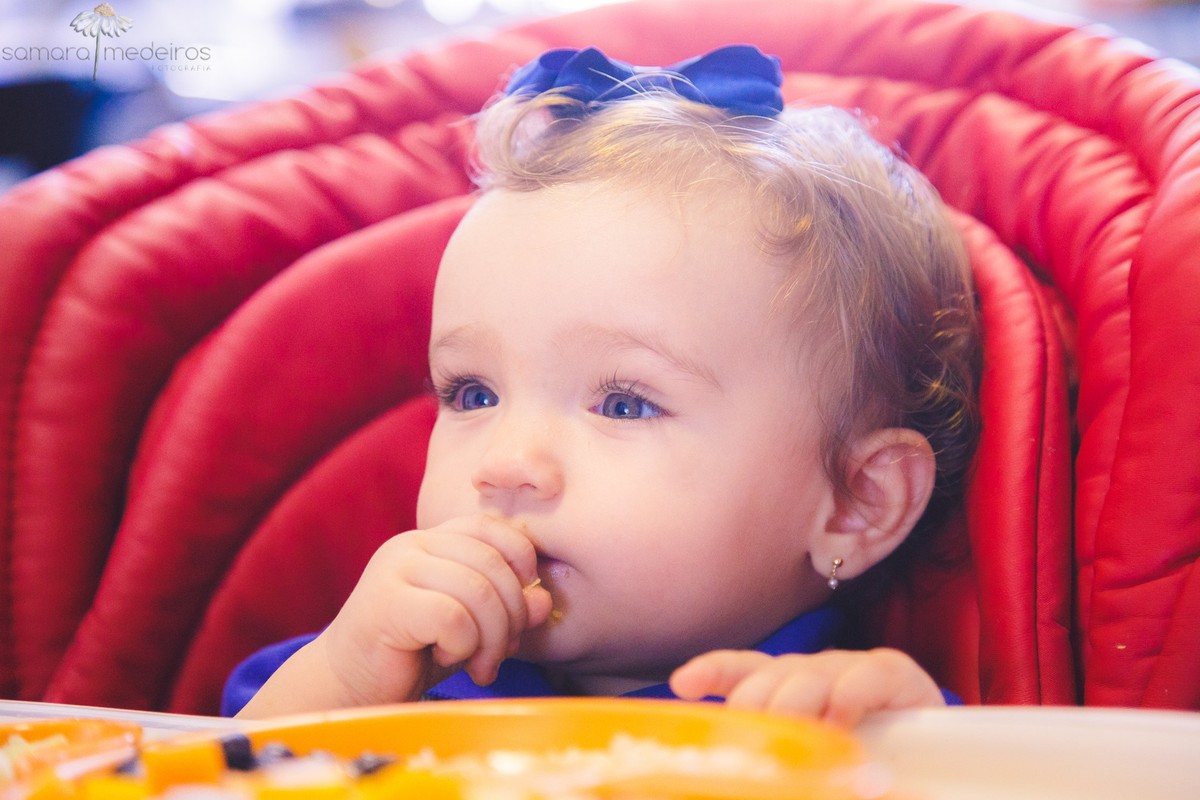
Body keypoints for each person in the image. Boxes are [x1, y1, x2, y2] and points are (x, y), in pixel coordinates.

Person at [225, 44, 981, 727]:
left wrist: (912, 754)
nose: (504, 464)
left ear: (857, 502)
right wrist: (343, 682)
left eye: (624, 404)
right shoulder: (363, 687)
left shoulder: (847, 724)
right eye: (473, 394)